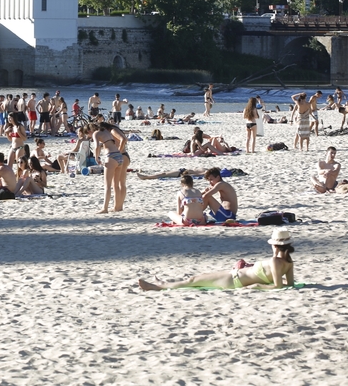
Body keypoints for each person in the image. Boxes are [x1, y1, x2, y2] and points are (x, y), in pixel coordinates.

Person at [138, 229, 296, 291]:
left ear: (276, 246)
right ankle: (162, 284)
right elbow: (289, 284)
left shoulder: (276, 261)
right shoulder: (288, 263)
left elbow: (278, 286)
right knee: (195, 280)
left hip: (234, 279)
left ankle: (158, 287)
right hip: (235, 277)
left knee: (193, 280)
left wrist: (257, 285)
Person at [93, 121, 128, 214]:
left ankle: (111, 207)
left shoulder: (106, 132)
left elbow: (123, 139)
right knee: (118, 184)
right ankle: (118, 206)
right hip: (121, 156)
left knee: (112, 184)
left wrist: (96, 157)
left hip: (115, 156)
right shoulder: (110, 132)